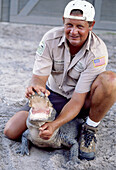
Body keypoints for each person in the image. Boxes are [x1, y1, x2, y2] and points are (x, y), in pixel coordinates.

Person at [4, 0, 116, 161]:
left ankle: (90, 128)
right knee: (11, 131)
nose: (73, 31)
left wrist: (55, 125)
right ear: (63, 21)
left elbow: (77, 100)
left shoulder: (98, 51)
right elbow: (39, 77)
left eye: (80, 26)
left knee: (111, 80)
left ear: (91, 25)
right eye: (69, 25)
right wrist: (36, 87)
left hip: (82, 100)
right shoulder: (50, 39)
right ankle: (68, 122)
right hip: (53, 97)